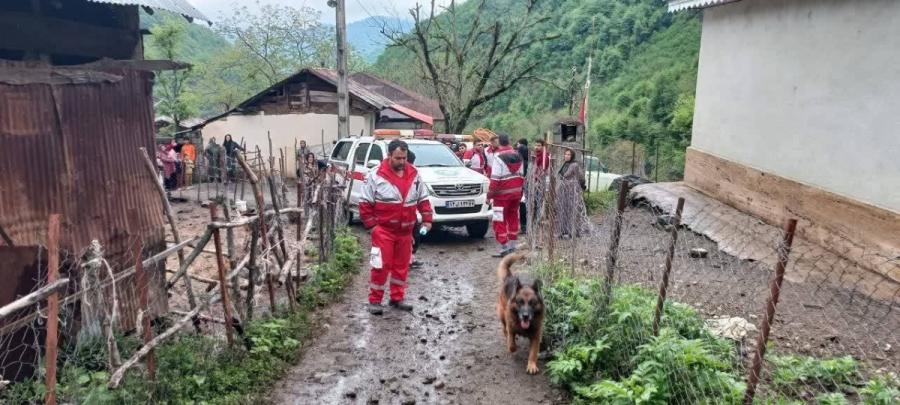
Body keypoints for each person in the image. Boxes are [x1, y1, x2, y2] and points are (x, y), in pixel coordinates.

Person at [359, 140, 433, 315]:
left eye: (404, 158)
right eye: (398, 158)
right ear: (389, 156)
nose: (402, 162)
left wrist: (427, 219)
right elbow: (364, 204)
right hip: (384, 230)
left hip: (406, 231)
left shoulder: (414, 174)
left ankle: (397, 298)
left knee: (402, 266)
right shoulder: (375, 175)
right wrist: (373, 227)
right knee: (381, 266)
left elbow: (423, 199)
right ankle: (375, 300)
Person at [487, 133, 525, 257]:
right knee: (513, 217)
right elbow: (522, 174)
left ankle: (504, 247)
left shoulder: (498, 157)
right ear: (509, 141)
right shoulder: (518, 155)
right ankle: (512, 246)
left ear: (499, 142)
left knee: (499, 219)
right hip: (516, 193)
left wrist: (489, 195)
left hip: (501, 195)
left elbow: (495, 178)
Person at [556, 148, 588, 239]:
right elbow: (561, 176)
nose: (566, 156)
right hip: (563, 190)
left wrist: (581, 186)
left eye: (569, 154)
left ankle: (573, 231)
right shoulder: (564, 164)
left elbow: (581, 177)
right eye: (565, 154)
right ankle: (562, 231)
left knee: (572, 210)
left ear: (572, 156)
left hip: (572, 190)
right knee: (563, 210)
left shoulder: (575, 165)